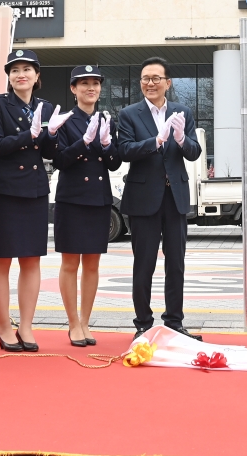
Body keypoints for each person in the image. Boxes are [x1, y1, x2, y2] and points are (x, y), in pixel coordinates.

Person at [118, 57, 203, 340]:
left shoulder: (182, 112)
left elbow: (194, 152)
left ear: (168, 83)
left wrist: (180, 138)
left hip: (174, 196)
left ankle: (174, 322)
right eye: (145, 78)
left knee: (176, 263)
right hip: (143, 197)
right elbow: (125, 151)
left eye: (156, 78)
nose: (150, 83)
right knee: (144, 263)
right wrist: (155, 141)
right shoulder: (129, 114)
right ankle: (143, 322)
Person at [0, 49, 58, 352]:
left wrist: (52, 133)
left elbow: (52, 151)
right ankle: (4, 327)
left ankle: (26, 326)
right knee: (1, 260)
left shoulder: (47, 106)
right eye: (14, 70)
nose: (20, 75)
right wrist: (30, 134)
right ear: (9, 77)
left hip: (35, 189)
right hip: (4, 189)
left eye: (27, 69)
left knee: (31, 260)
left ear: (37, 76)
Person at [52, 65, 121, 347]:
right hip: (72, 197)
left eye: (95, 83)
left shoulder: (107, 119)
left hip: (98, 197)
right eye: (84, 84)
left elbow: (115, 162)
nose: (90, 88)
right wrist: (84, 142)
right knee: (70, 263)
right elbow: (60, 161)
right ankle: (71, 323)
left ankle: (85, 321)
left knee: (92, 264)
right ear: (73, 89)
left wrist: (105, 145)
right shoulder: (64, 120)